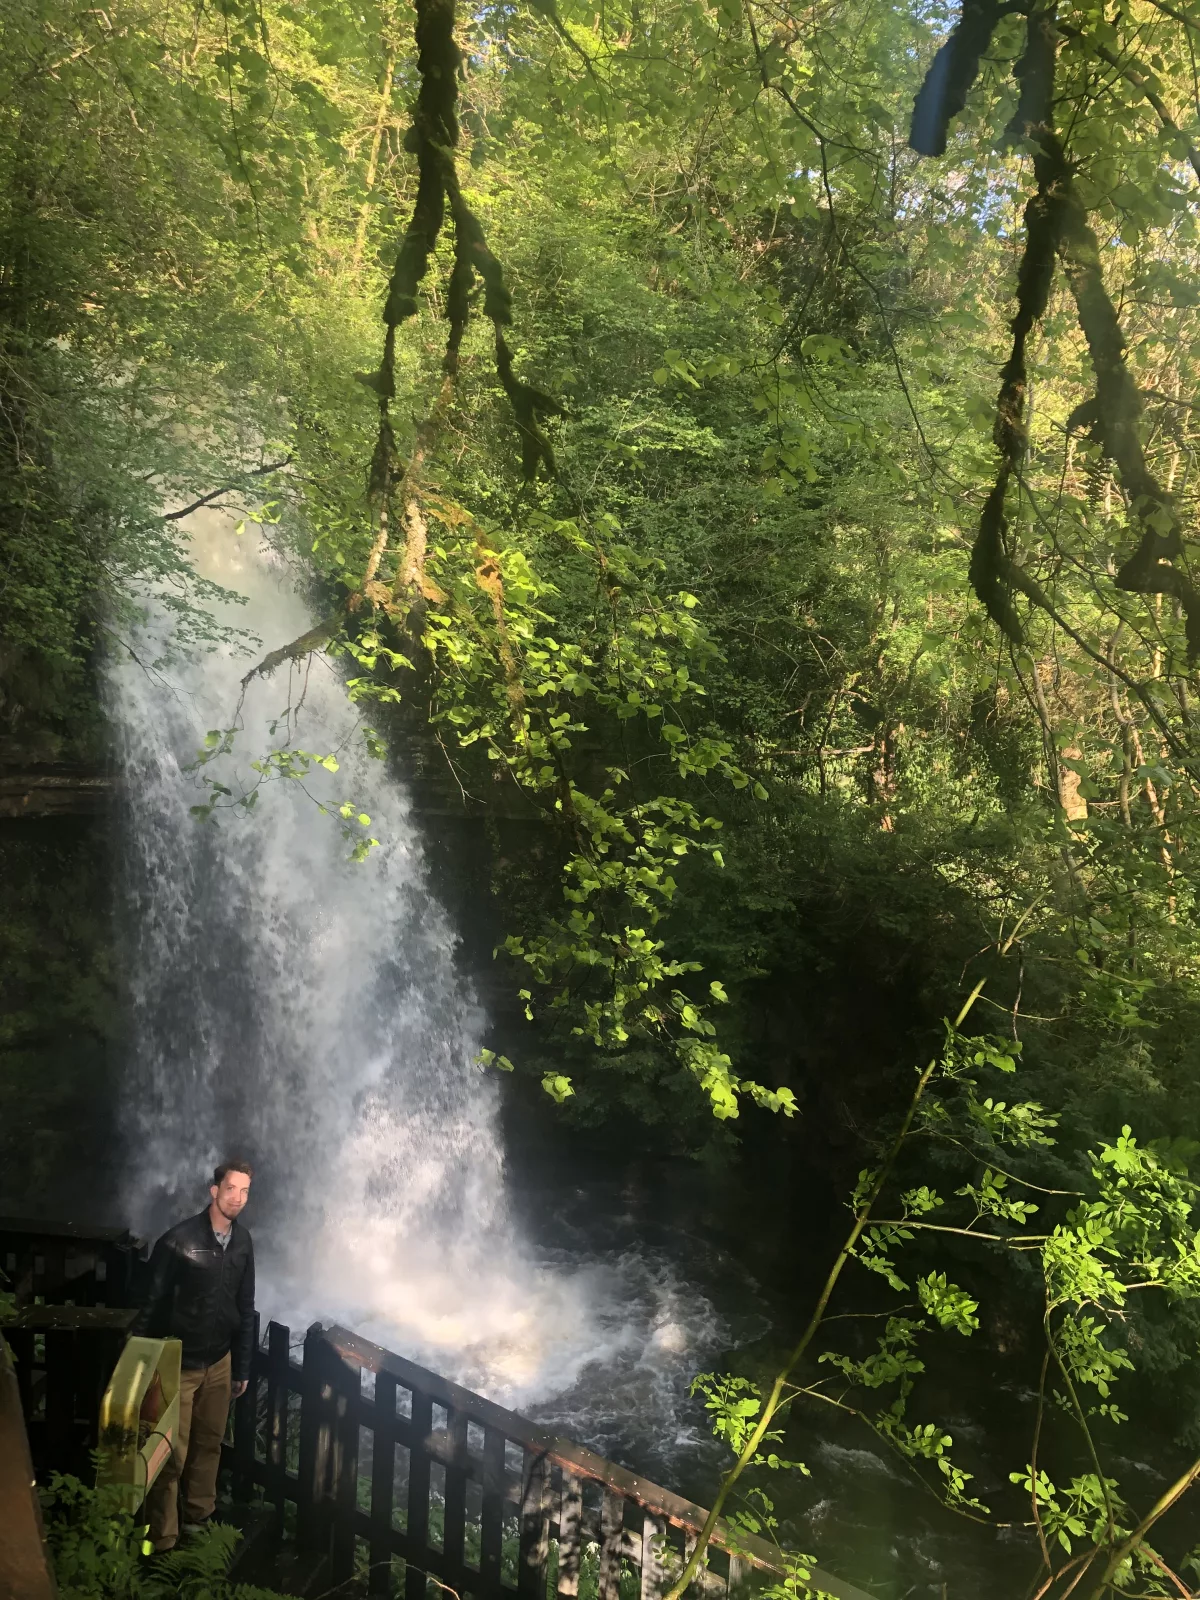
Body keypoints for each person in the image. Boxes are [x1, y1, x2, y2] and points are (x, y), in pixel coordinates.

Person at [130, 1161, 256, 1552]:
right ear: (213, 1190)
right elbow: (150, 1304)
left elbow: (246, 1306)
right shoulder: (178, 1242)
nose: (237, 1198)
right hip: (179, 1362)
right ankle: (162, 1538)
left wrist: (243, 1366)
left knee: (209, 1443)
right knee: (169, 1452)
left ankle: (200, 1517)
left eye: (245, 1191)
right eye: (231, 1188)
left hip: (219, 1362)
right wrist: (141, 1360)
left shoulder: (243, 1242)